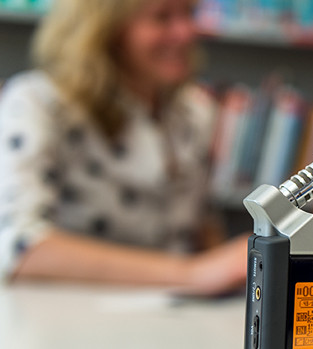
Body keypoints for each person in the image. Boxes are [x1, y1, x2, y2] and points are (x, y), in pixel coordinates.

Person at [0, 0, 247, 295]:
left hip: (174, 319)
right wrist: (192, 274)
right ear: (105, 30)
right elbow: (19, 248)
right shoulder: (38, 103)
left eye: (190, 14)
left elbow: (201, 233)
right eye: (161, 17)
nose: (186, 32)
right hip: (66, 320)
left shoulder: (195, 111)